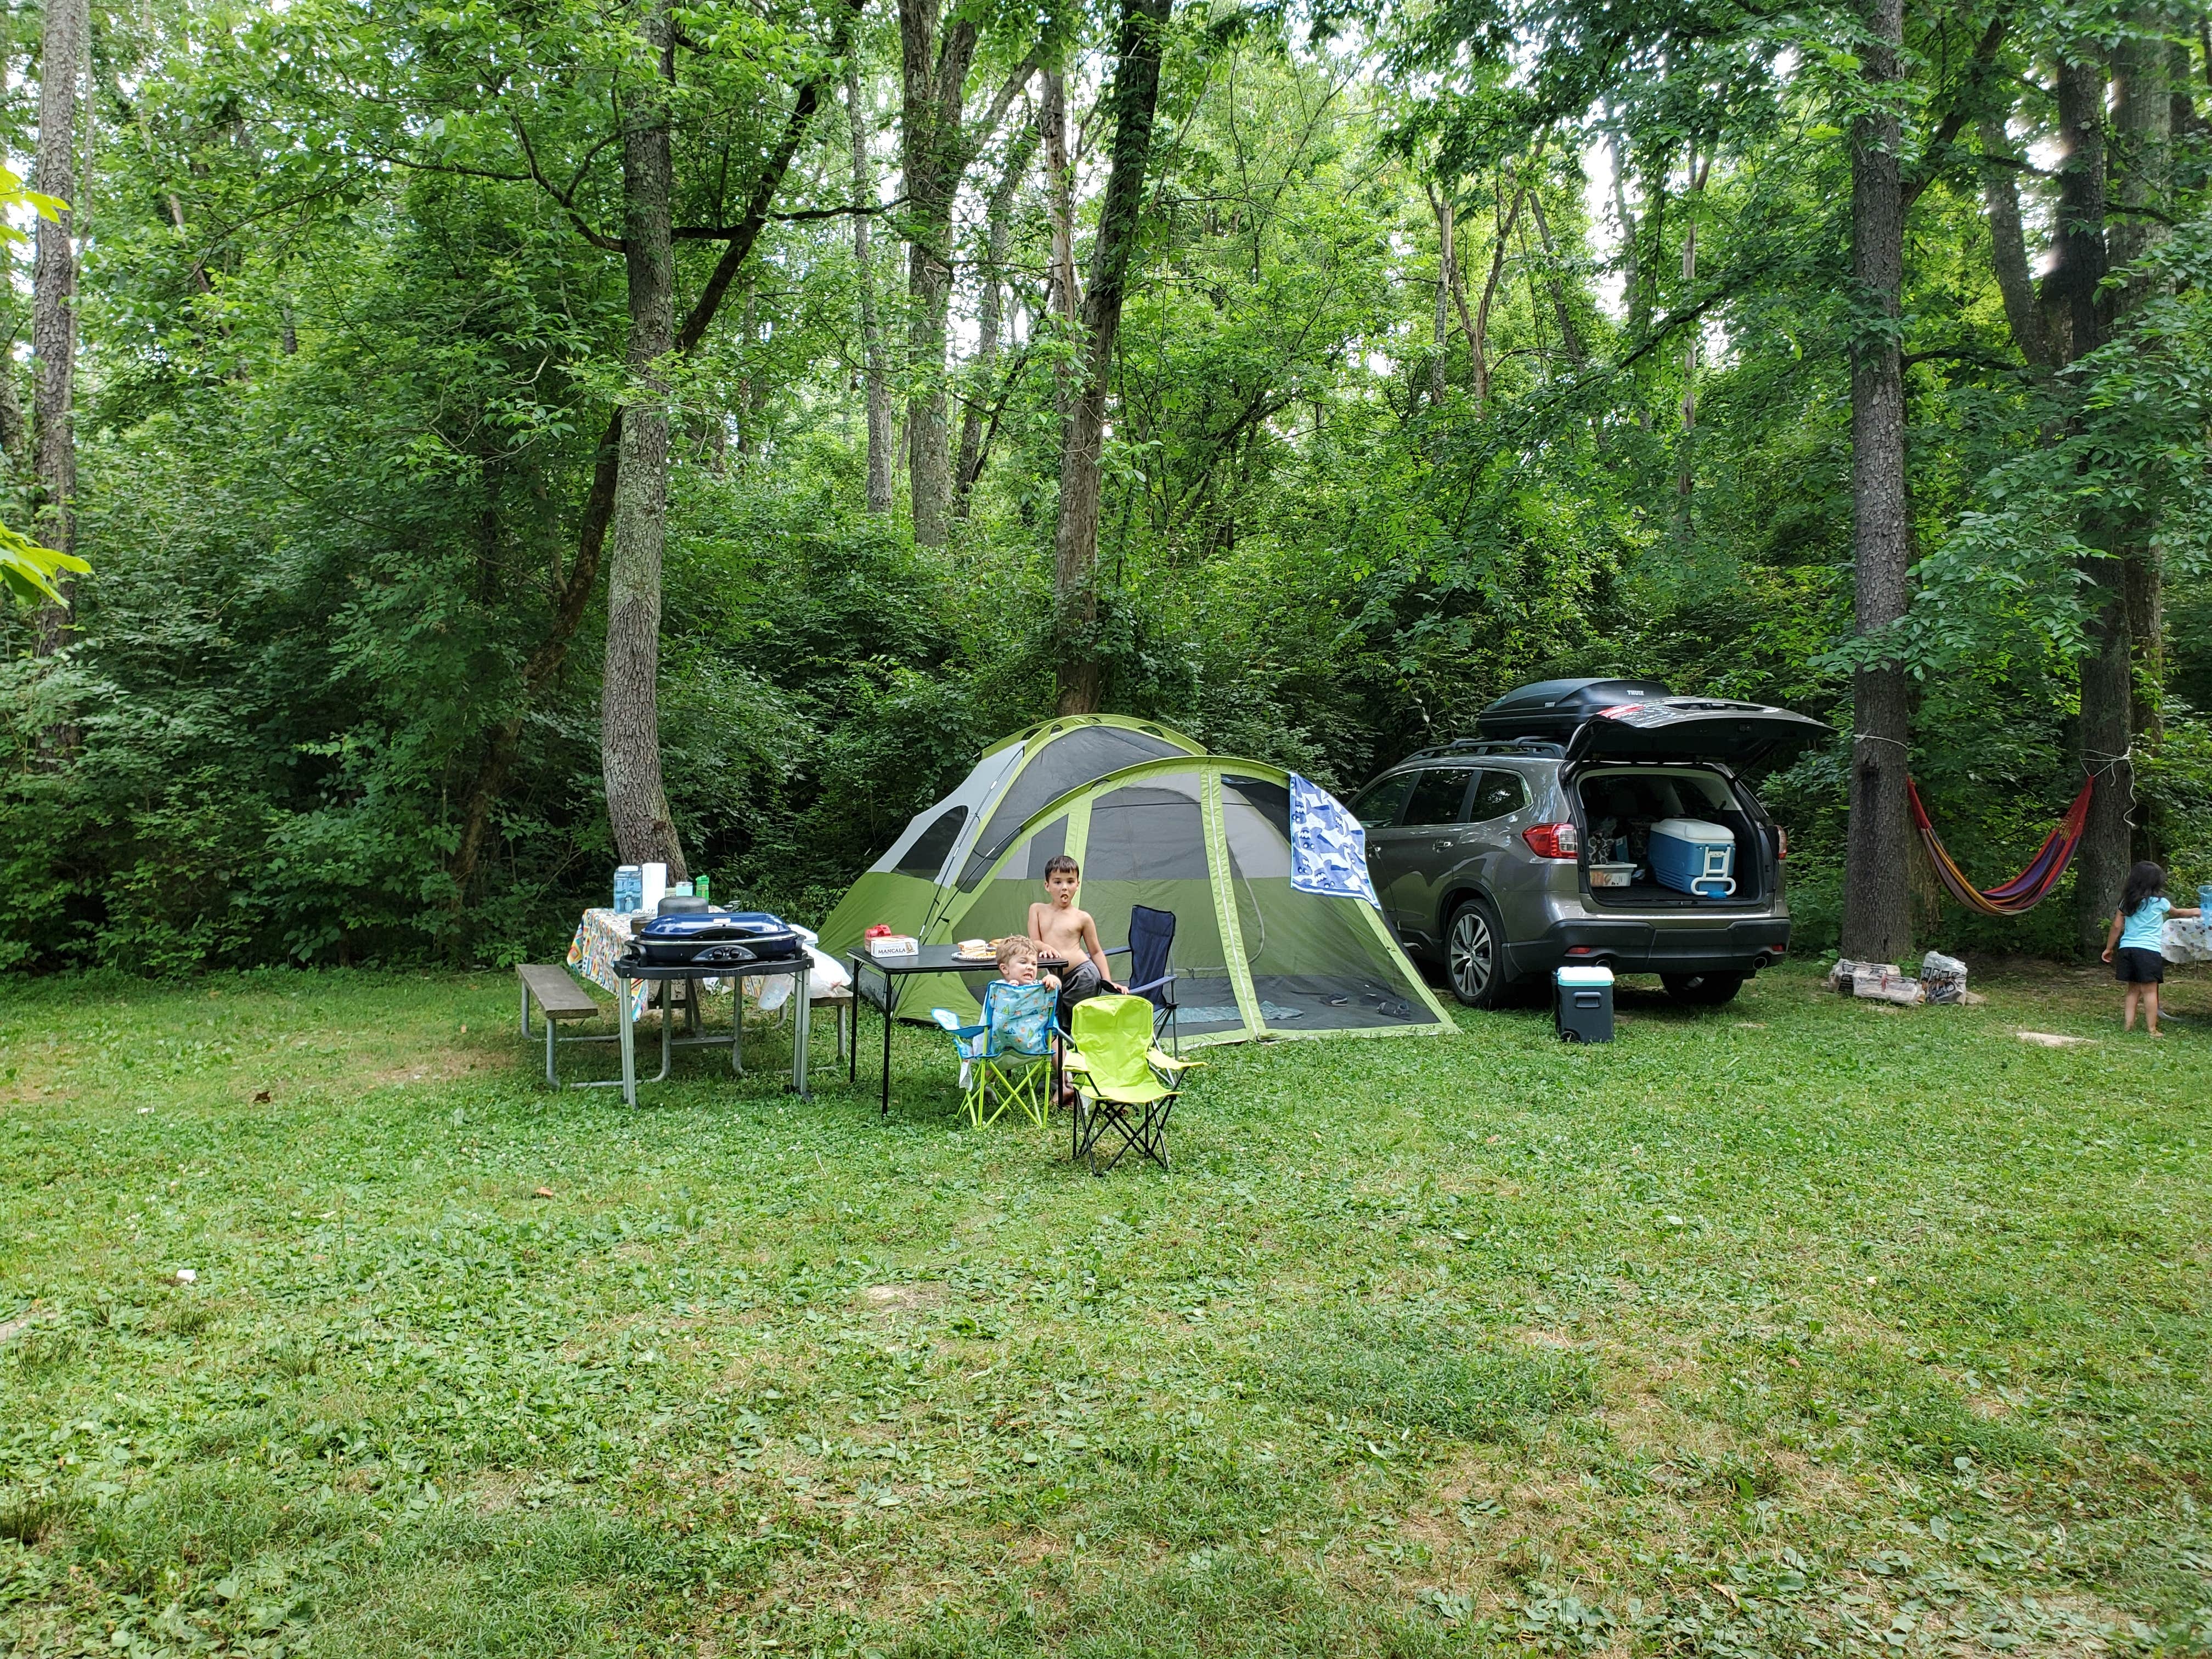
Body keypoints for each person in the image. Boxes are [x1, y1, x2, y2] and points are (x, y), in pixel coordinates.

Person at [2101, 861, 2200, 1035]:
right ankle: (2152, 1029)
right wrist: (2196, 911)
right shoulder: (2159, 902)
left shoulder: (2126, 902)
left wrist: (2109, 948)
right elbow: (2178, 913)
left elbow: (2117, 926)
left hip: (2127, 949)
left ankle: (2128, 1026)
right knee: (2150, 991)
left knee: (2132, 990)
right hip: (2148, 951)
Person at [1028, 854, 1122, 1031]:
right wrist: (1045, 946)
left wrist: (1108, 980)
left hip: (1083, 976)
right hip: (1055, 978)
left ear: (1077, 885)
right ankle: (1063, 1049)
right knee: (1055, 1022)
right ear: (1047, 885)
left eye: (1070, 882)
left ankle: (1083, 1048)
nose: (1064, 887)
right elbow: (1034, 942)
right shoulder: (1037, 910)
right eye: (1058, 882)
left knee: (1081, 1023)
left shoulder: (1082, 918)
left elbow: (1096, 952)